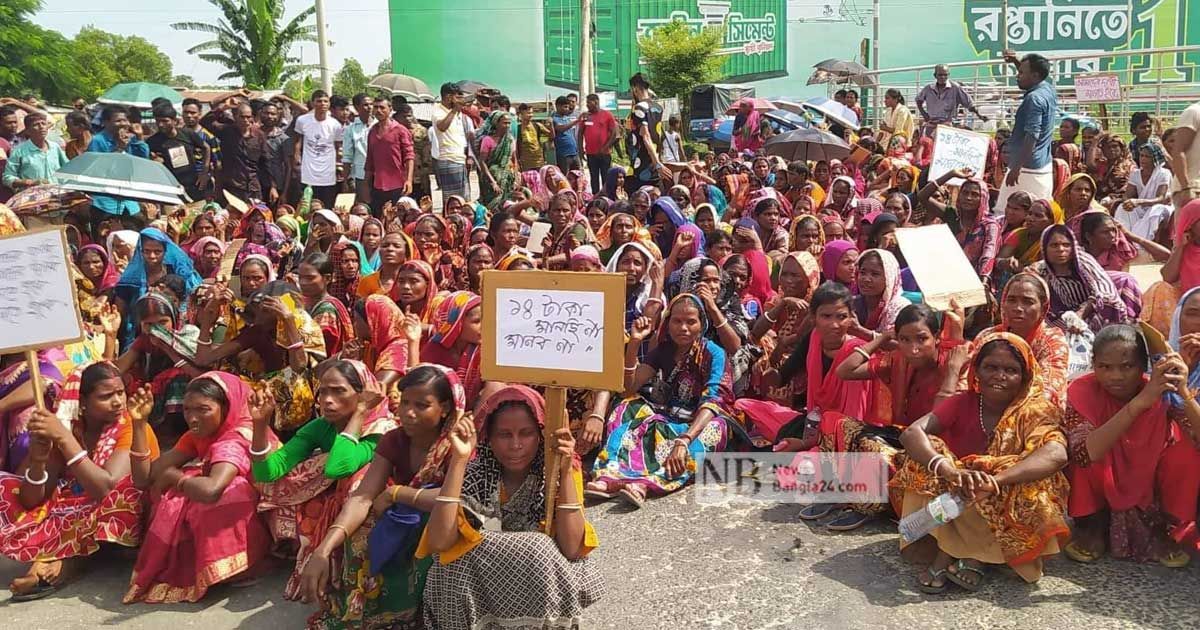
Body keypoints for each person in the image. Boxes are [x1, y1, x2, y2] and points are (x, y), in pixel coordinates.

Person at [418, 385, 603, 628]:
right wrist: (459, 461)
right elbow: (440, 542)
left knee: (539, 548)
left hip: (539, 583)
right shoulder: (476, 472)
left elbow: (572, 549)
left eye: (525, 433)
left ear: (540, 434)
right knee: (450, 565)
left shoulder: (558, 469)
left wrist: (566, 470)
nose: (515, 445)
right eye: (504, 435)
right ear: (489, 439)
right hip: (484, 585)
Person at [896, 333, 1069, 590]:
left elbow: (1057, 453)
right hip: (960, 493)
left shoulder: (1036, 410)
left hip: (1001, 494)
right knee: (927, 454)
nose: (999, 376)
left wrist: (996, 479)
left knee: (1027, 475)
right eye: (991, 367)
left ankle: (968, 555)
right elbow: (911, 433)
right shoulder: (963, 402)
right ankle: (955, 549)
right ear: (976, 370)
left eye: (1010, 370)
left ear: (1026, 376)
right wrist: (949, 470)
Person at [298, 365, 462, 629]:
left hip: (444, 525)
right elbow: (363, 497)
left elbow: (456, 496)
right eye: (405, 402)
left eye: (422, 405)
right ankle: (365, 613)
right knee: (358, 535)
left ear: (444, 408)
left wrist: (398, 492)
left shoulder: (458, 443)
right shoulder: (394, 440)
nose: (408, 412)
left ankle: (413, 617)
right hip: (401, 519)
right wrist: (323, 549)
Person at [0, 363, 159, 600]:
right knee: (8, 488)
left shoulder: (128, 424)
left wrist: (65, 441)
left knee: (119, 496)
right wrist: (37, 460)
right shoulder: (68, 427)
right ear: (81, 401)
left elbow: (107, 489)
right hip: (77, 506)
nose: (118, 402)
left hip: (123, 508)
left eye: (120, 393)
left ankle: (64, 565)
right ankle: (52, 562)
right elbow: (31, 499)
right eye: (106, 396)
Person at [124, 372, 278, 603]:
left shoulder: (237, 437)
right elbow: (144, 478)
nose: (193, 418)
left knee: (224, 493)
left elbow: (212, 489)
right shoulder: (197, 435)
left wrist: (176, 478)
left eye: (203, 409)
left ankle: (245, 563)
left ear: (226, 408)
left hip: (271, 511)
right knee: (164, 490)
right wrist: (138, 424)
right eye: (187, 410)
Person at [252, 359, 397, 599]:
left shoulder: (381, 429)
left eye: (339, 391)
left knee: (357, 480)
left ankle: (355, 573)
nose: (327, 400)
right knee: (280, 483)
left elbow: (340, 467)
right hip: (338, 497)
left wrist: (361, 412)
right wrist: (260, 424)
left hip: (372, 504)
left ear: (364, 395)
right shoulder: (322, 426)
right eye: (324, 392)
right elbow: (268, 474)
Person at [1063, 325, 1200, 567]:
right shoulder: (1081, 389)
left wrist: (1183, 392)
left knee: (1187, 453)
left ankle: (1163, 531)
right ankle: (1093, 527)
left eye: (1127, 366)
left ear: (1143, 365)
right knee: (1085, 453)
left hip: (1147, 478)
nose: (1116, 376)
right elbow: (1086, 453)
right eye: (1105, 367)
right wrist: (1139, 404)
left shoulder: (1160, 389)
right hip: (1100, 476)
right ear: (1094, 364)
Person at [590, 294, 734, 507]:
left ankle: (647, 483)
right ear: (668, 322)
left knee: (716, 428)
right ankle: (611, 475)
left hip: (700, 422)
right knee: (627, 406)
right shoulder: (664, 350)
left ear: (702, 324)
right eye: (677, 321)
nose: (683, 328)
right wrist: (635, 343)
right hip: (668, 416)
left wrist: (684, 440)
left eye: (691, 322)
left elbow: (713, 402)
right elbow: (629, 388)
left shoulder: (714, 353)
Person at [1031, 225, 1133, 332]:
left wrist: (1080, 314)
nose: (1061, 250)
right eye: (1054, 245)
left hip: (1096, 315)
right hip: (1065, 319)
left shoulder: (1084, 261)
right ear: (1044, 249)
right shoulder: (1042, 270)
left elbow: (1104, 291)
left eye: (1066, 245)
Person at [998, 52, 1057, 211]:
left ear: (1035, 75)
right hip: (1041, 165)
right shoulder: (1047, 89)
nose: (1017, 76)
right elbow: (1031, 77)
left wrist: (1016, 168)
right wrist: (1016, 62)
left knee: (1004, 212)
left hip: (1027, 169)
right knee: (1042, 212)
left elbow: (1032, 135)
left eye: (1021, 73)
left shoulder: (1033, 99)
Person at [202, 101, 272, 203]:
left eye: (248, 117)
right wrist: (223, 107)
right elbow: (205, 121)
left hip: (253, 188)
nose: (246, 120)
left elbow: (266, 162)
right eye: (242, 117)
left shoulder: (259, 135)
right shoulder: (226, 131)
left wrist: (272, 187)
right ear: (235, 117)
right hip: (231, 187)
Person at [293, 91, 345, 209]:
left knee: (327, 207)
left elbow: (338, 147)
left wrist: (339, 164)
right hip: (308, 173)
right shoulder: (302, 120)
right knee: (306, 207)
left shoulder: (335, 125)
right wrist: (296, 156)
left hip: (328, 174)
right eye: (319, 101)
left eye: (325, 101)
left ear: (329, 104)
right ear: (313, 103)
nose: (322, 104)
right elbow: (297, 140)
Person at [297, 253, 355, 357]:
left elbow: (316, 350)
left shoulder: (326, 310)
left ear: (327, 278)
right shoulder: (305, 301)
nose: (303, 282)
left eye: (310, 278)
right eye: (300, 277)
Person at [146, 104, 209, 200]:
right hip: (171, 188)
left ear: (175, 121)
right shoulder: (153, 142)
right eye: (158, 121)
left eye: (165, 121)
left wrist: (204, 173)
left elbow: (206, 148)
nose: (161, 124)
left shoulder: (187, 134)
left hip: (194, 184)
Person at [362, 97, 414, 210]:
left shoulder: (400, 130)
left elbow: (409, 157)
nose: (378, 111)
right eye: (376, 107)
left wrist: (409, 181)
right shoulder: (372, 131)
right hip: (377, 185)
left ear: (390, 109)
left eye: (382, 107)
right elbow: (369, 160)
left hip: (398, 184)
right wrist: (365, 185)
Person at [2, 112, 68, 193]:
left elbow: (67, 169)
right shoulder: (19, 151)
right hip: (32, 198)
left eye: (43, 124)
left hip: (56, 195)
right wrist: (30, 182)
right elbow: (7, 177)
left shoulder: (55, 147)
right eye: (36, 125)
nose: (41, 127)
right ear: (28, 131)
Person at [916, 65, 987, 135]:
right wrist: (924, 114)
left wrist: (979, 115)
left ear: (948, 75)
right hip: (932, 124)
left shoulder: (955, 88)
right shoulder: (928, 88)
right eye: (940, 75)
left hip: (948, 125)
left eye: (945, 75)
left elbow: (968, 103)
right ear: (935, 75)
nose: (943, 77)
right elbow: (918, 100)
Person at [625, 73, 666, 195]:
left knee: (636, 201)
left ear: (635, 88)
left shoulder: (639, 108)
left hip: (641, 164)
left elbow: (646, 135)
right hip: (653, 165)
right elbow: (658, 135)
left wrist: (657, 163)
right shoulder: (658, 107)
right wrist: (658, 160)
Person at [432, 83, 471, 200]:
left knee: (463, 198)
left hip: (459, 159)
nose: (459, 100)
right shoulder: (438, 110)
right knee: (453, 199)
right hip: (449, 160)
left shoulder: (456, 113)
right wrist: (455, 110)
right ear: (449, 97)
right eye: (457, 97)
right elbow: (442, 127)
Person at [476, 110, 518, 206]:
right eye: (504, 123)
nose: (507, 126)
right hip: (490, 179)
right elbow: (482, 162)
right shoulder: (487, 140)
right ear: (496, 123)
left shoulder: (510, 139)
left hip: (507, 178)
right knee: (491, 205)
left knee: (506, 204)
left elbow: (513, 159)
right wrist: (493, 182)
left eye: (509, 123)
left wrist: (515, 177)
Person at [580, 93, 620, 194]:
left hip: (604, 154)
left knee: (606, 177)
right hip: (591, 153)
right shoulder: (586, 116)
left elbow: (614, 134)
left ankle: (607, 197)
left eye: (589, 102)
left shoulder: (607, 115)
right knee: (594, 178)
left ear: (596, 102)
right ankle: (595, 197)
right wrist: (580, 149)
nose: (587, 105)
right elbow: (580, 133)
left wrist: (605, 147)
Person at [340, 94, 372, 197]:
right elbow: (347, 157)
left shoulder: (379, 125)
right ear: (357, 107)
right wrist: (345, 181)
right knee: (364, 206)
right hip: (361, 175)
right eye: (365, 105)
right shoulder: (351, 129)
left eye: (371, 104)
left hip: (380, 176)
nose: (370, 107)